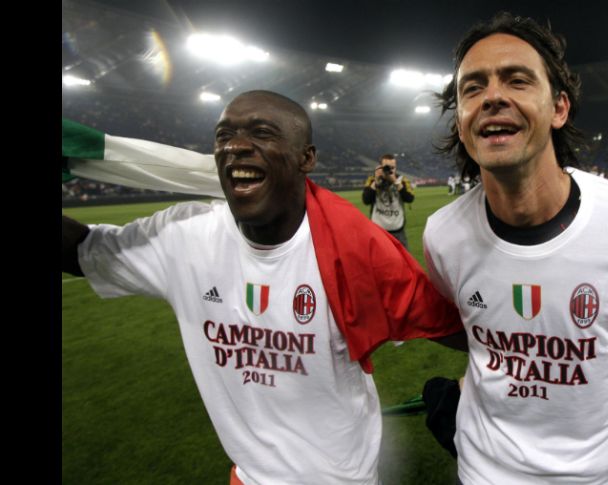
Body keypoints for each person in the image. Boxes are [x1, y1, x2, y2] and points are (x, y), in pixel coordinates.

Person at [62, 90, 464, 485]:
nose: (235, 146)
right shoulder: (184, 236)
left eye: (261, 132)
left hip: (341, 476)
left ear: (306, 157)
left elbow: (460, 330)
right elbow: (83, 251)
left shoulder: (359, 249)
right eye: (223, 135)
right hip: (249, 476)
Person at [426, 12, 608, 484]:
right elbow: (470, 328)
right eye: (472, 88)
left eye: (517, 80)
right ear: (463, 121)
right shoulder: (442, 235)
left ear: (559, 108)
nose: (492, 96)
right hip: (487, 471)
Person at [362, 153, 415, 248]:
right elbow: (366, 200)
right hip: (378, 230)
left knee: (402, 261)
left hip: (398, 230)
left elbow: (409, 198)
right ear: (380, 167)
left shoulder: (402, 180)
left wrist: (396, 182)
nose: (390, 171)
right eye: (386, 167)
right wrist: (376, 182)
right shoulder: (372, 179)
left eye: (393, 168)